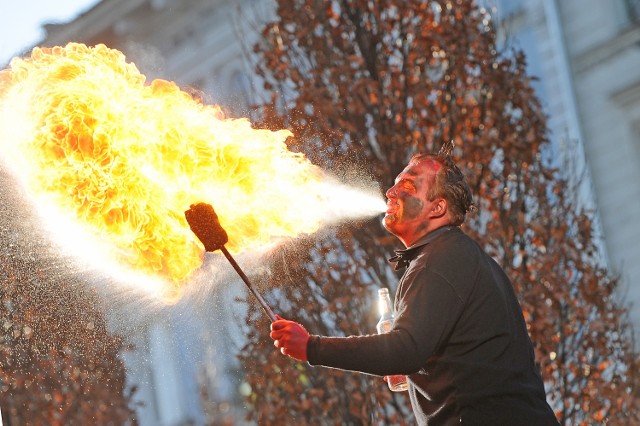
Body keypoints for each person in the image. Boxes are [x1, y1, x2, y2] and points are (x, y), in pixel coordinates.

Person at [270, 145, 559, 425]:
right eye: (395, 184)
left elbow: (405, 349)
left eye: (407, 186)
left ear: (437, 208)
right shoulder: (456, 255)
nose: (391, 192)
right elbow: (444, 355)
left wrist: (311, 347)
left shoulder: (441, 259)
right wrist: (419, 366)